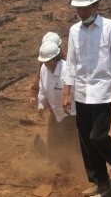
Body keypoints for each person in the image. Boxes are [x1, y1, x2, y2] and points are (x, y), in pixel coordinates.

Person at [62, 0, 111, 196]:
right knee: (85, 139)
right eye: (78, 8)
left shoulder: (110, 27)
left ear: (96, 5)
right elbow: (71, 63)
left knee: (98, 137)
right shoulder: (74, 31)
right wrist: (66, 92)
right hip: (81, 92)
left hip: (102, 92)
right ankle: (100, 180)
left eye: (85, 8)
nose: (81, 12)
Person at [36, 41, 79, 169]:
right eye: (43, 61)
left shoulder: (67, 70)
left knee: (66, 137)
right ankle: (55, 161)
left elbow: (75, 91)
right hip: (55, 110)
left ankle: (70, 165)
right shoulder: (44, 69)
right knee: (52, 136)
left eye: (47, 61)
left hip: (71, 111)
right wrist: (41, 105)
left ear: (55, 59)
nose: (44, 63)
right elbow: (42, 88)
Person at [29, 32, 66, 112]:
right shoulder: (44, 64)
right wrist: (35, 95)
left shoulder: (66, 67)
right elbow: (41, 81)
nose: (45, 63)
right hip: (54, 106)